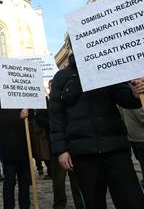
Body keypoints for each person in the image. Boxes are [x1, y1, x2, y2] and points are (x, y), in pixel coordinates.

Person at [49, 52, 144, 209]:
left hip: (114, 147)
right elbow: (56, 116)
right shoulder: (62, 77)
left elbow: (123, 96)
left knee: (132, 200)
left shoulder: (107, 67)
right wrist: (61, 150)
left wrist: (134, 94)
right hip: (83, 152)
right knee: (93, 202)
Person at [47, 80, 83, 209]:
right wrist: (52, 120)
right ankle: (59, 204)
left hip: (73, 144)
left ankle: (81, 203)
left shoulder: (69, 97)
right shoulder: (45, 103)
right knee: (58, 180)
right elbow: (41, 119)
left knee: (77, 180)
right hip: (56, 146)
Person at [0, 94, 31, 209]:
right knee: (9, 183)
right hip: (9, 150)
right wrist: (19, 116)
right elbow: (1, 119)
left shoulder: (22, 97)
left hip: (24, 149)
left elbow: (31, 116)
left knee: (25, 184)